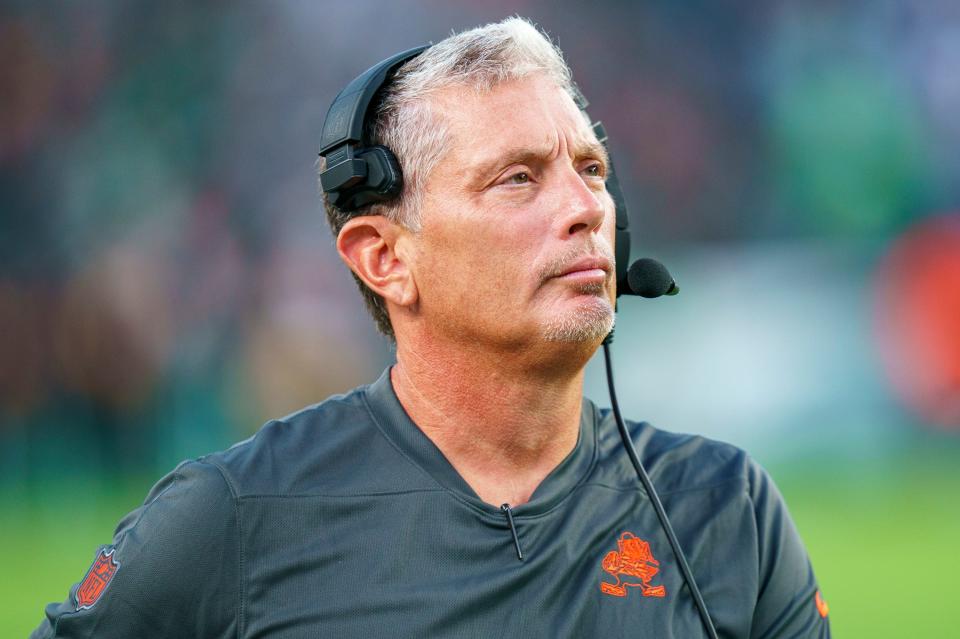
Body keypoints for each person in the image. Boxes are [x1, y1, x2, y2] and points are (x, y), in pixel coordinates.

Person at [33, 17, 830, 638]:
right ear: (384, 257)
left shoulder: (728, 508)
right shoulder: (233, 514)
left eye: (589, 169)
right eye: (517, 179)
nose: (585, 208)